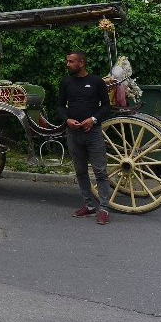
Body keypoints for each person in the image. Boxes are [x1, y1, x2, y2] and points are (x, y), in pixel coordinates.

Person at [57, 51, 112, 224]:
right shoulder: (66, 82)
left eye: (71, 61)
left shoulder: (96, 82)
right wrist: (67, 120)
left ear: (81, 63)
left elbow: (106, 106)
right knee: (80, 171)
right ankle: (89, 205)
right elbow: (60, 106)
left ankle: (104, 209)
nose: (67, 64)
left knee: (100, 171)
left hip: (93, 133)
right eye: (67, 61)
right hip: (73, 133)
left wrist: (93, 119)